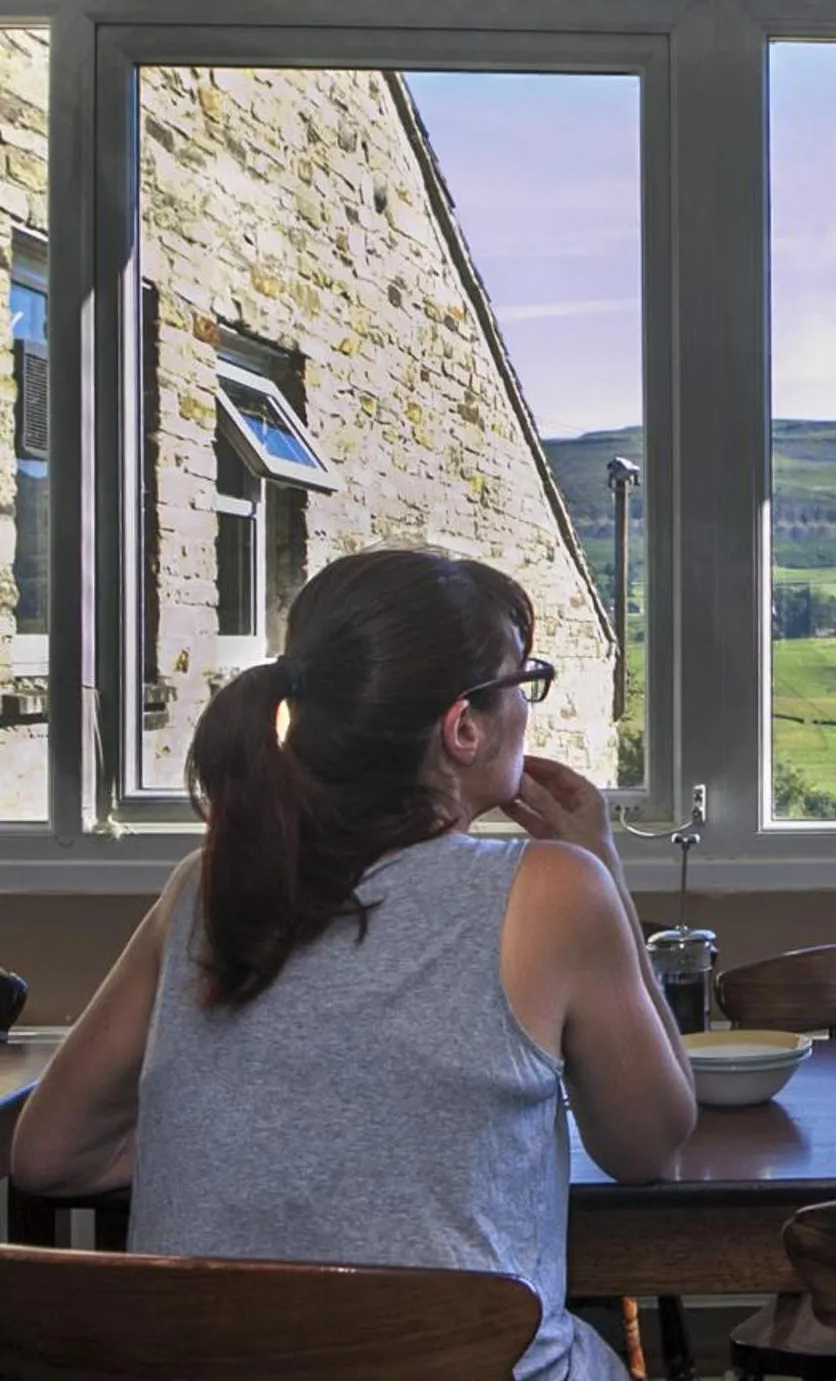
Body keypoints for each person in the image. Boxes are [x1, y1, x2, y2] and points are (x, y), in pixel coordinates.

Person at [9, 548, 696, 1381]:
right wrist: (605, 870)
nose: (528, 706)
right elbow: (648, 1146)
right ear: (464, 728)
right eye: (525, 682)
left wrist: (273, 1147)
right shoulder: (553, 891)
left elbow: (49, 1156)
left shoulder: (209, 884)